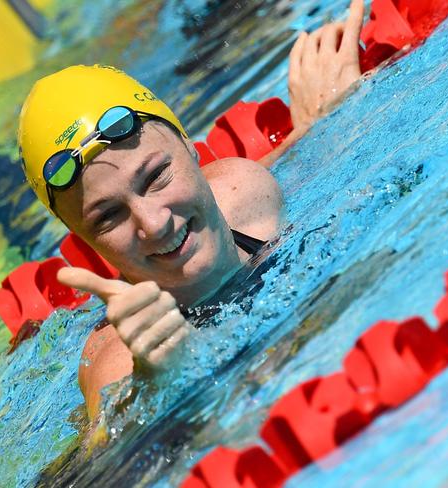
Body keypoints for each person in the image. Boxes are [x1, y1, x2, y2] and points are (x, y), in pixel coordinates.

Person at [18, 0, 365, 420]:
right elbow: (110, 457)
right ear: (86, 241)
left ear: (188, 145)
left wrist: (322, 120)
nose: (154, 223)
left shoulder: (248, 193)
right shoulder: (116, 360)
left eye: (156, 177)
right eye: (108, 217)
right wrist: (157, 384)